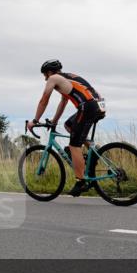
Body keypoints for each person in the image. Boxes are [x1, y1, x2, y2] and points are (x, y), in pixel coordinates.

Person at [29, 59, 104, 197]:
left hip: (87, 107)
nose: (45, 78)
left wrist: (35, 120)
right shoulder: (67, 77)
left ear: (50, 72)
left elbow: (44, 99)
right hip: (98, 105)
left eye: (45, 75)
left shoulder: (54, 78)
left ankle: (80, 182)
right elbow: (63, 102)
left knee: (74, 145)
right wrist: (54, 121)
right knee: (69, 125)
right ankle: (92, 148)